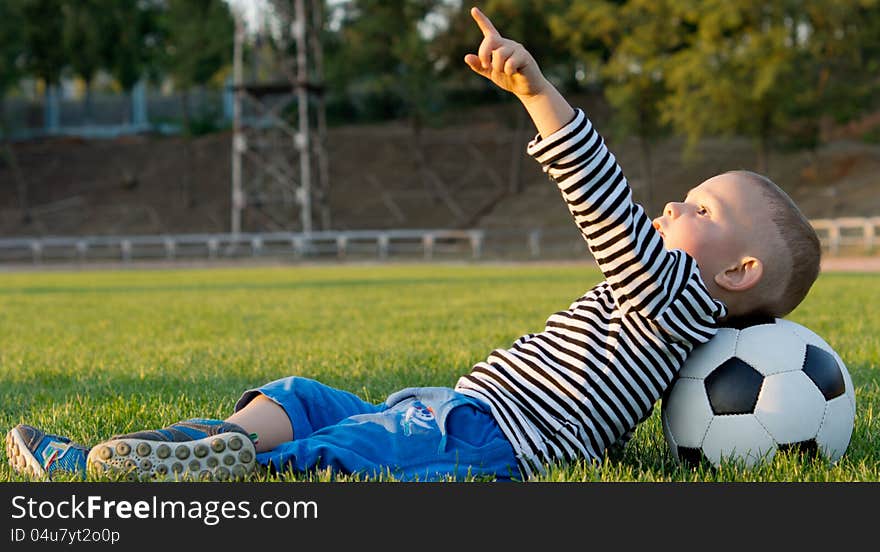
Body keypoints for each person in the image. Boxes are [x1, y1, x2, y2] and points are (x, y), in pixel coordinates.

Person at [5, 7, 821, 483]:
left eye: (703, 207)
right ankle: (181, 447)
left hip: (491, 437)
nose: (676, 201)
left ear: (736, 270)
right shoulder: (670, 305)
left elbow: (599, 199)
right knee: (301, 394)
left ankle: (178, 471)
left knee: (339, 449)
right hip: (452, 410)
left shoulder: (677, 292)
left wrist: (541, 96)